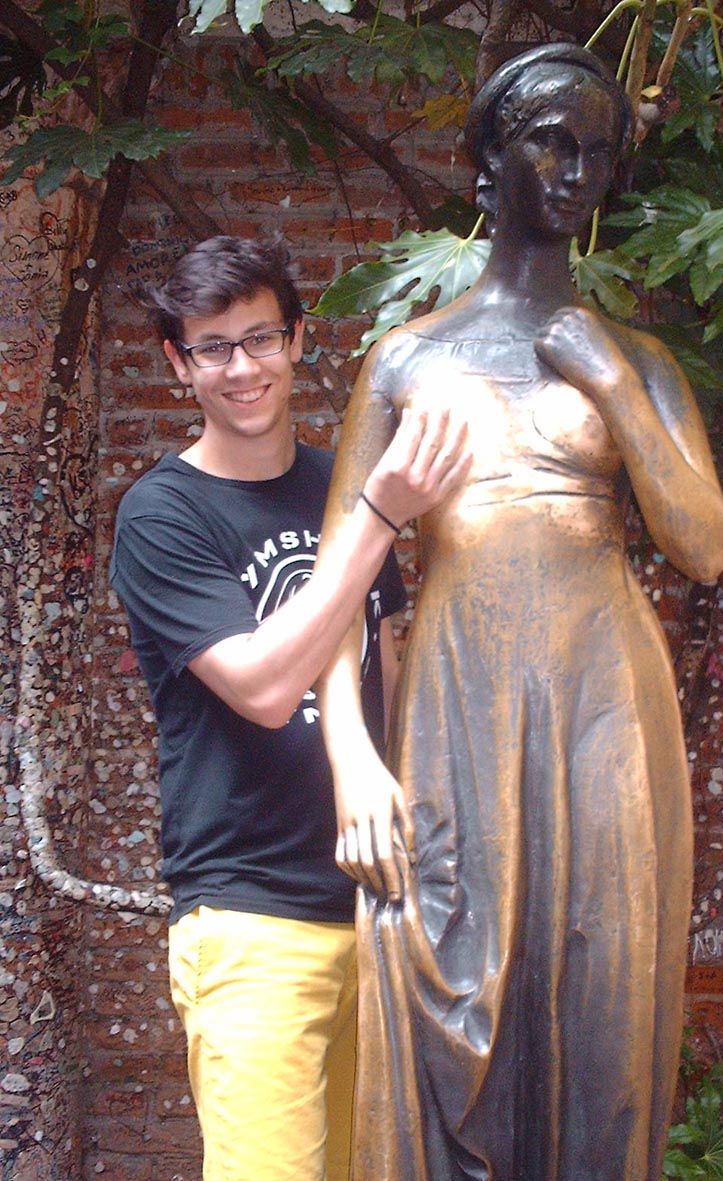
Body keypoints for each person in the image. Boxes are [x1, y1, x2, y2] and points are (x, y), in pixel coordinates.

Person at [317, 45, 723, 1181]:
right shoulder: (406, 360)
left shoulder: (635, 357)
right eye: (552, 141)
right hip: (459, 695)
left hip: (605, 701)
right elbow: (338, 584)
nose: (576, 170)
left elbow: (702, 544)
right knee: (446, 966)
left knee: (607, 986)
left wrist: (611, 383)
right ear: (489, 160)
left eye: (597, 151)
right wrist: (351, 757)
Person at [109, 234, 469, 1181]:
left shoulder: (337, 484)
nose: (242, 368)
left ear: (298, 338)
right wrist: (377, 518)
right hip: (251, 917)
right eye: (214, 347)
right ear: (179, 363)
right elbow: (267, 688)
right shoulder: (162, 514)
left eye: (261, 338)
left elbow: (383, 663)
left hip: (377, 905)